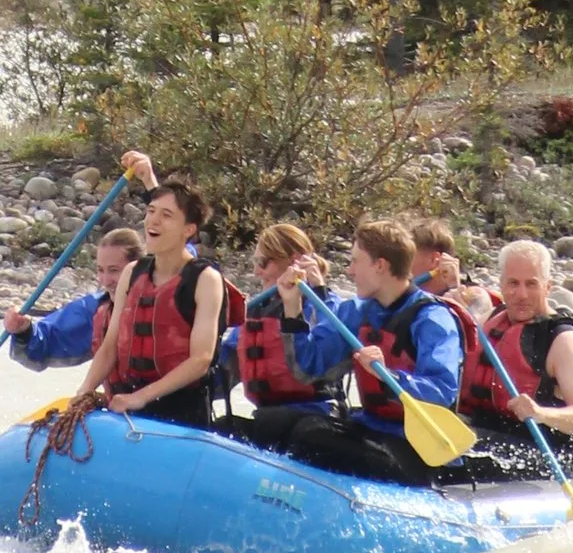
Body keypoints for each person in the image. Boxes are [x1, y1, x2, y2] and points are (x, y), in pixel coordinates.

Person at [243, 217, 466, 488]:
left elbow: (443, 390)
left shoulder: (432, 318)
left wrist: (391, 377)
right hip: (371, 428)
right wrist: (292, 309)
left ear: (380, 265)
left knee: (310, 436)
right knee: (273, 422)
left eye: (355, 261)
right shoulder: (358, 312)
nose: (349, 271)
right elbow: (309, 368)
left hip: (413, 447)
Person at [84, 176, 229, 428]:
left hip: (182, 411)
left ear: (188, 229)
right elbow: (110, 346)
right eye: (151, 211)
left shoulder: (206, 280)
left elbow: (201, 359)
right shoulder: (132, 272)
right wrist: (84, 391)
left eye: (166, 215)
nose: (153, 220)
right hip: (129, 402)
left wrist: (141, 397)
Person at [459, 239, 573, 473]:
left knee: (449, 445)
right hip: (489, 433)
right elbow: (472, 301)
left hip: (545, 456)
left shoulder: (564, 339)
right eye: (513, 283)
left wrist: (540, 413)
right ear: (501, 284)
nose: (521, 294)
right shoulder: (493, 319)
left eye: (531, 284)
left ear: (547, 287)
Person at [229, 221, 333, 426]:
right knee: (224, 425)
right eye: (255, 262)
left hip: (316, 415)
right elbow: (225, 361)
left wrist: (318, 289)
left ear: (294, 261)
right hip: (268, 415)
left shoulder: (324, 304)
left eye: (262, 263)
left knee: (279, 425)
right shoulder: (255, 311)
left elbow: (331, 343)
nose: (256, 271)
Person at [4, 225, 141, 374]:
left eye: (114, 270)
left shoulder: (159, 304)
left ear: (138, 268)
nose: (105, 281)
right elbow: (47, 342)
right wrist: (24, 332)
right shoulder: (96, 310)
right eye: (100, 270)